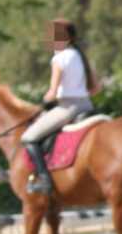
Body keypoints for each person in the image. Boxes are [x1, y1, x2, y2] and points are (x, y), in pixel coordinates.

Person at [20, 18, 102, 195]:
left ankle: (44, 180)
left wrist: (43, 102)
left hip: (67, 108)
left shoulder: (59, 58)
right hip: (87, 106)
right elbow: (96, 88)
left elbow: (52, 92)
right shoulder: (82, 57)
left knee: (29, 137)